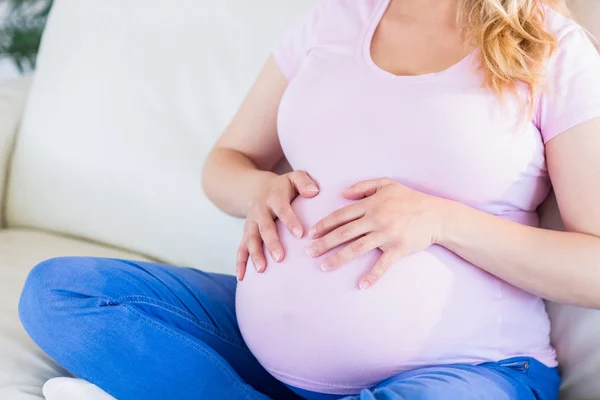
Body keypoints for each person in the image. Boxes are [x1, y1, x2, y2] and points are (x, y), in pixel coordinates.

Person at [18, 0, 600, 399]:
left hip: (466, 371)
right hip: (264, 350)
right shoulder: (334, 20)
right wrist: (258, 190)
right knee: (61, 294)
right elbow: (226, 165)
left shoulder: (553, 50)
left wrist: (443, 221)